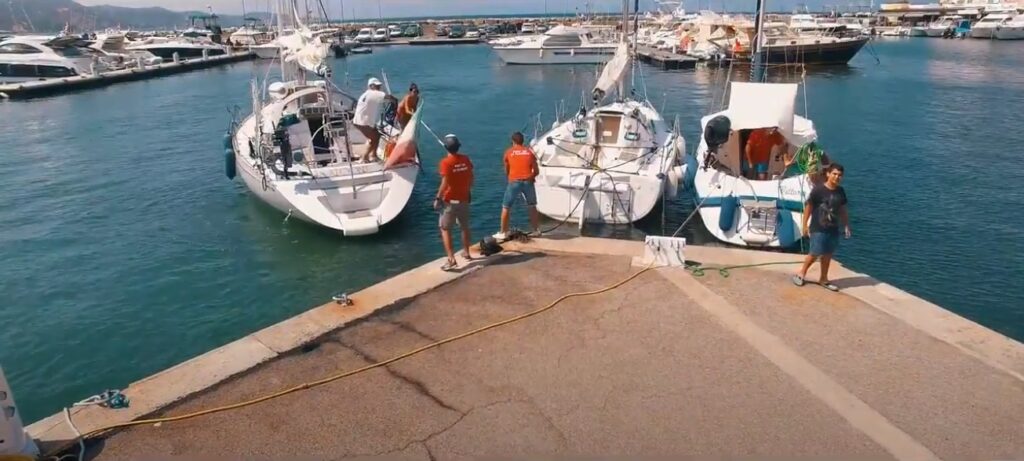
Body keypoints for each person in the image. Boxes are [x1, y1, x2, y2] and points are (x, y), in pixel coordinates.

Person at [792, 163, 851, 292]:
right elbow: (808, 207)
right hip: (818, 228)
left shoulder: (840, 191)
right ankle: (801, 273)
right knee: (815, 253)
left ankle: (823, 279)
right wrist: (804, 225)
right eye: (834, 174)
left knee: (828, 254)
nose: (837, 177)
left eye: (840, 175)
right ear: (828, 174)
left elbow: (843, 209)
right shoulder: (818, 190)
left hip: (833, 228)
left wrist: (846, 224)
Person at [435, 134, 474, 271]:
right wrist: (467, 190)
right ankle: (466, 252)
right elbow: (471, 177)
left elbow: (445, 183)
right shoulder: (466, 159)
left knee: (445, 229)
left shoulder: (445, 163)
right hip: (464, 198)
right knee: (464, 227)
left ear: (446, 148)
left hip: (450, 201)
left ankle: (451, 259)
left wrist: (438, 198)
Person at [494, 132, 540, 240]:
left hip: (514, 181)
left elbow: (506, 170)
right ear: (523, 141)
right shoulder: (529, 152)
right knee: (532, 206)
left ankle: (503, 232)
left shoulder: (508, 152)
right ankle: (536, 230)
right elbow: (536, 171)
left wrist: (511, 178)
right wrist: (531, 177)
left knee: (506, 207)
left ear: (513, 141)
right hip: (528, 181)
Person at [352, 77, 396, 163]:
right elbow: (389, 98)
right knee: (374, 138)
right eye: (376, 85)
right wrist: (395, 101)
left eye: (379, 85)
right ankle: (364, 158)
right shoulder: (375, 93)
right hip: (363, 122)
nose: (379, 87)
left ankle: (373, 156)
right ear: (371, 86)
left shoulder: (365, 94)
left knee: (377, 134)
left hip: (360, 121)